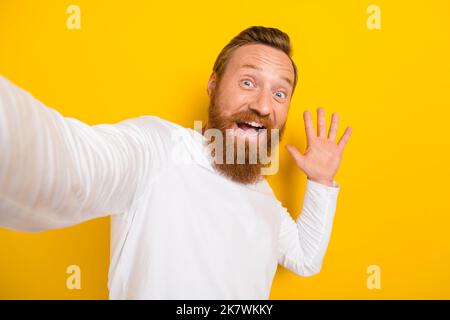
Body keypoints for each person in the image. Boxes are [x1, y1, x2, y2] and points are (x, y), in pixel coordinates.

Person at [0, 26, 352, 299]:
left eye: (280, 93)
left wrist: (321, 180)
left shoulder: (265, 198)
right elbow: (67, 164)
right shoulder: (159, 149)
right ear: (213, 86)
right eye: (248, 82)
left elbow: (305, 258)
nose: (263, 105)